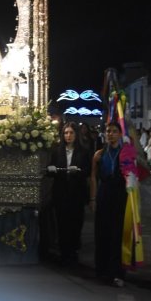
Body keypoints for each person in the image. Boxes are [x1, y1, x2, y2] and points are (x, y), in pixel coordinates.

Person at [46, 122, 91, 266]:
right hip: (61, 193)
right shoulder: (57, 151)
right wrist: (51, 169)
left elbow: (88, 171)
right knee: (62, 223)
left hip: (77, 193)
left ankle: (73, 251)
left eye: (71, 133)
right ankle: (64, 252)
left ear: (76, 135)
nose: (68, 136)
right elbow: (51, 169)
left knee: (76, 223)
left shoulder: (83, 151)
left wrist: (77, 171)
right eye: (66, 133)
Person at [89, 122, 127, 287]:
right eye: (108, 131)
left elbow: (134, 177)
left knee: (117, 235)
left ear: (120, 134)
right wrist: (93, 199)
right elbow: (93, 178)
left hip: (120, 196)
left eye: (114, 131)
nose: (110, 134)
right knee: (102, 233)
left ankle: (116, 272)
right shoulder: (99, 154)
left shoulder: (126, 153)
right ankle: (101, 270)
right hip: (104, 195)